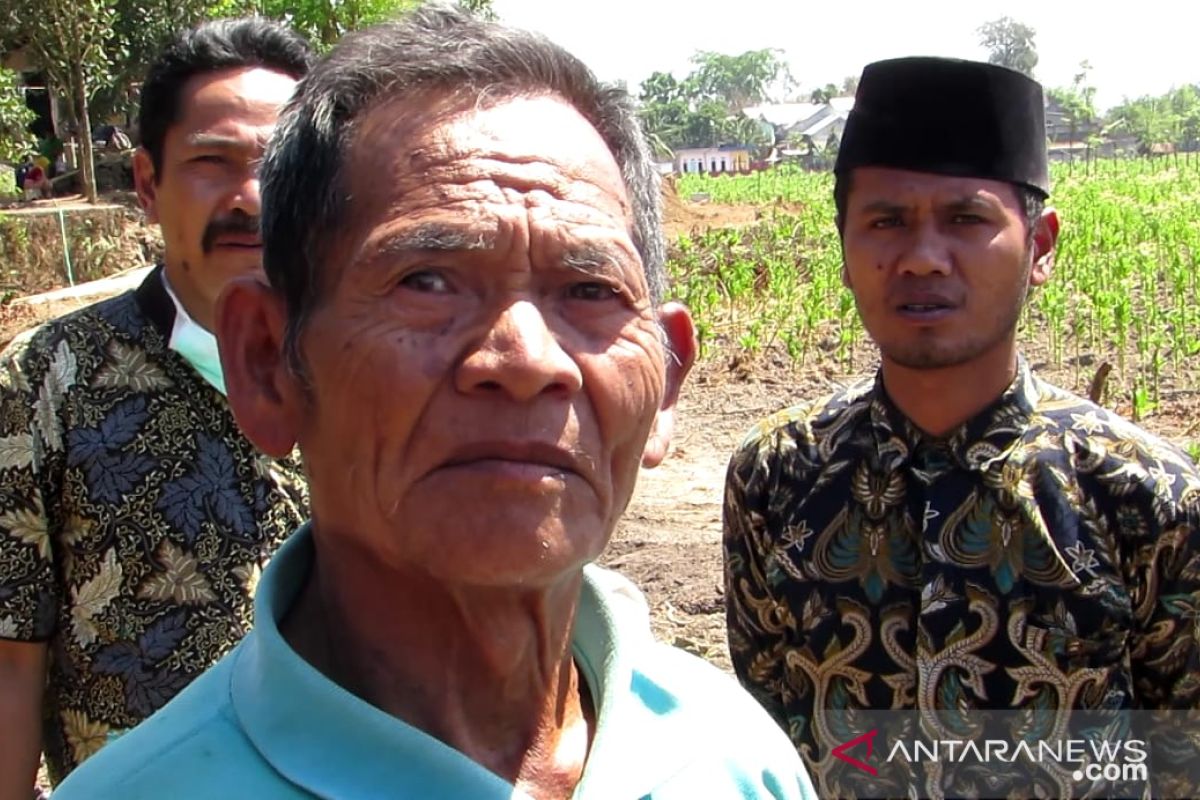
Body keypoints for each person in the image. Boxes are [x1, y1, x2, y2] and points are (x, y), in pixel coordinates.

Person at [54, 8, 817, 799]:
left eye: (589, 290)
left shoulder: (733, 762)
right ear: (266, 363)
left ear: (665, 383)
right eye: (427, 281)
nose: (527, 360)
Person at [723, 57, 1200, 799]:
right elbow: (769, 738)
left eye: (966, 219)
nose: (921, 259)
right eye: (887, 222)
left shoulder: (1147, 501)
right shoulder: (778, 477)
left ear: (1040, 245)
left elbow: (1179, 761)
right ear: (845, 249)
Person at [0, 18, 313, 793]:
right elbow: (9, 659)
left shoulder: (378, 371)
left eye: (279, 168)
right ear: (147, 185)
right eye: (212, 163)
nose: (249, 199)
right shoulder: (47, 378)